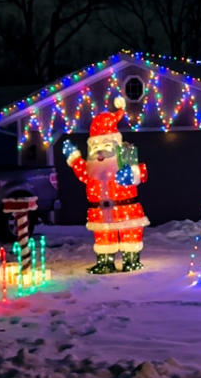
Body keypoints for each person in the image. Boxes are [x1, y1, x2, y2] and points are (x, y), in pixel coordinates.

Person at [61, 96, 149, 274]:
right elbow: (83, 172)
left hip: (126, 210)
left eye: (106, 145)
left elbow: (140, 172)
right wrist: (74, 158)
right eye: (95, 147)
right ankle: (105, 263)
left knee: (129, 236)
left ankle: (130, 260)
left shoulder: (124, 156)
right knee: (103, 237)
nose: (100, 151)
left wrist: (131, 174)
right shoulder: (92, 168)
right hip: (100, 212)